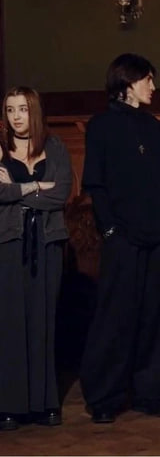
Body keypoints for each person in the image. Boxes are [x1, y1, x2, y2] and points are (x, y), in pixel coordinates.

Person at [79, 53, 160, 424]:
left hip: (159, 237)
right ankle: (105, 396)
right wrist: (110, 231)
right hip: (122, 238)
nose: (153, 86)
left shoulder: (153, 126)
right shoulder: (101, 125)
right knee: (115, 318)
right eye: (147, 80)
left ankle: (149, 392)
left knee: (157, 317)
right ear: (127, 82)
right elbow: (96, 185)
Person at [0, 87, 72, 431]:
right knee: (11, 321)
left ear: (35, 112)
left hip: (47, 242)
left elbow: (61, 193)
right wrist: (35, 186)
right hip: (9, 241)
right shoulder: (1, 148)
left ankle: (45, 402)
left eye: (23, 109)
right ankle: (10, 405)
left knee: (44, 319)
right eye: (10, 109)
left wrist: (14, 191)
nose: (16, 116)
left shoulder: (54, 147)